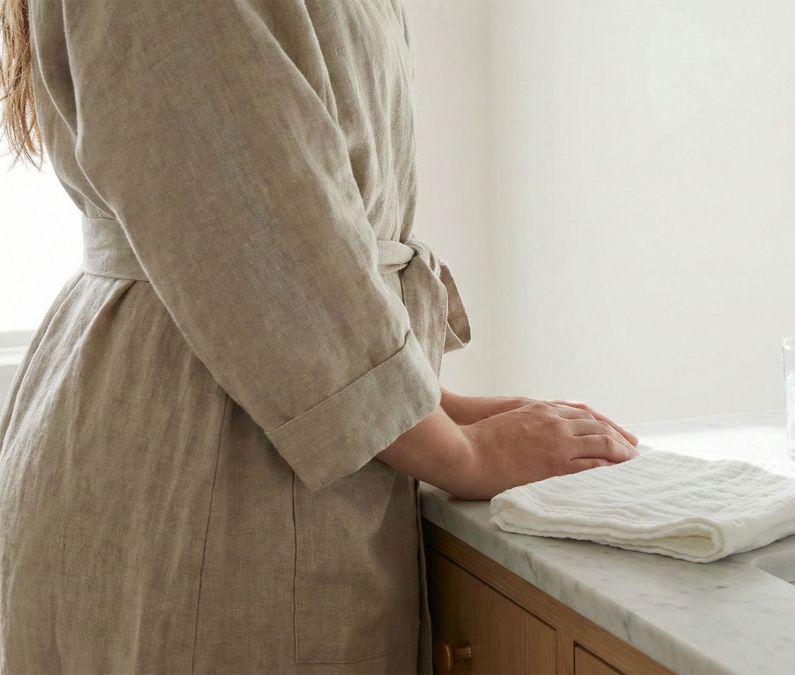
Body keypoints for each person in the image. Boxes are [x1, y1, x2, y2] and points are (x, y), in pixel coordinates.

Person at [0, 1, 638, 671]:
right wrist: (464, 453)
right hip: (202, 456)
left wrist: (433, 408)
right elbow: (254, 227)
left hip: (211, 409)